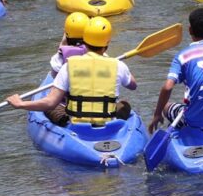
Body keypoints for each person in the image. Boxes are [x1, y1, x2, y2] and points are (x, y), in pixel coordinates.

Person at [7, 16, 137, 127]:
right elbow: (133, 85)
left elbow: (50, 102)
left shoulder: (69, 66)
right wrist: (121, 68)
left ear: (85, 40)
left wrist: (21, 104)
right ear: (107, 43)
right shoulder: (119, 65)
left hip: (78, 125)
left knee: (54, 108)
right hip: (107, 124)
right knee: (123, 105)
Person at [50, 12, 90, 77]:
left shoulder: (60, 56)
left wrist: (63, 43)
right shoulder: (96, 52)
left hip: (67, 85)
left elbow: (54, 75)